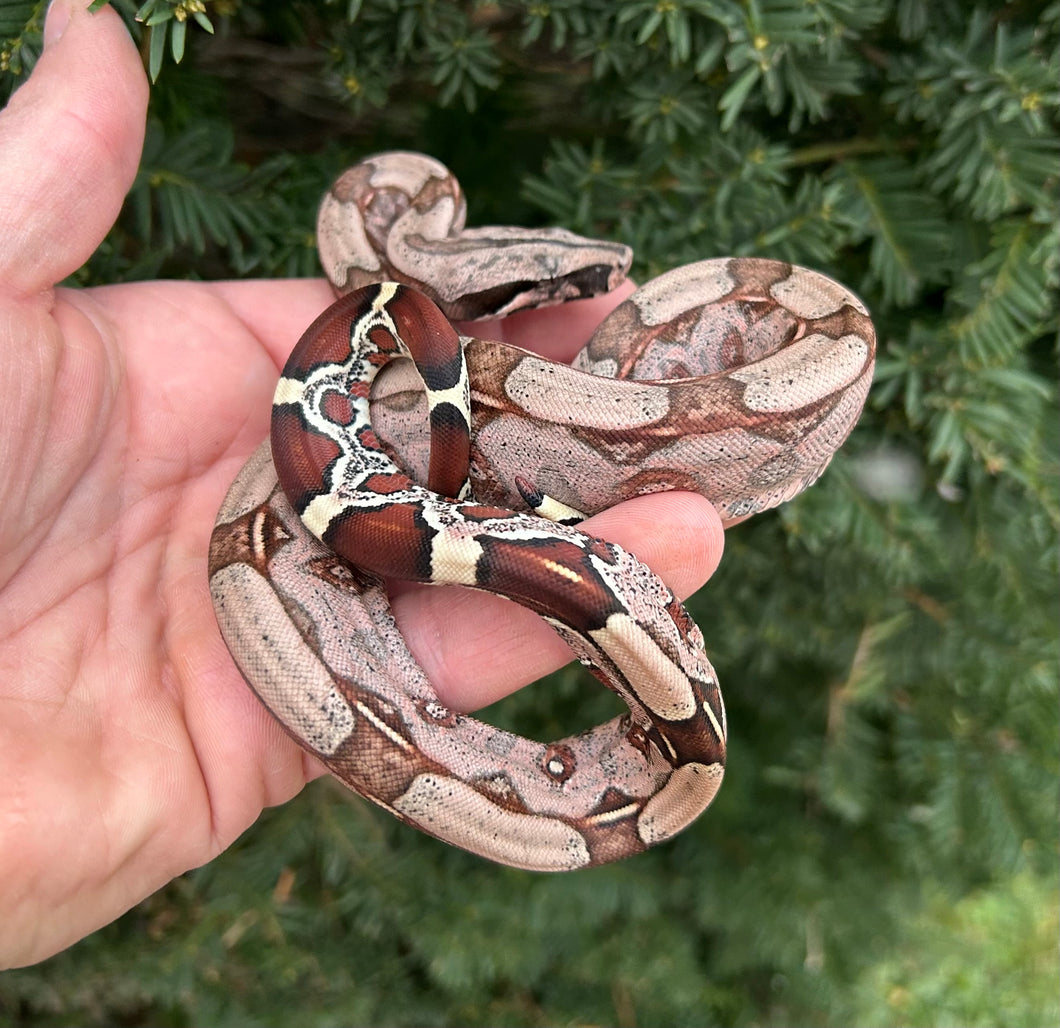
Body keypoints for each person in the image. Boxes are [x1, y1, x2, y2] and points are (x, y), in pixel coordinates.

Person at [0, 0, 724, 969]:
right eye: (555, 281)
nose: (593, 278)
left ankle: (506, 511)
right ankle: (508, 510)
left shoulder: (400, 262)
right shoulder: (394, 317)